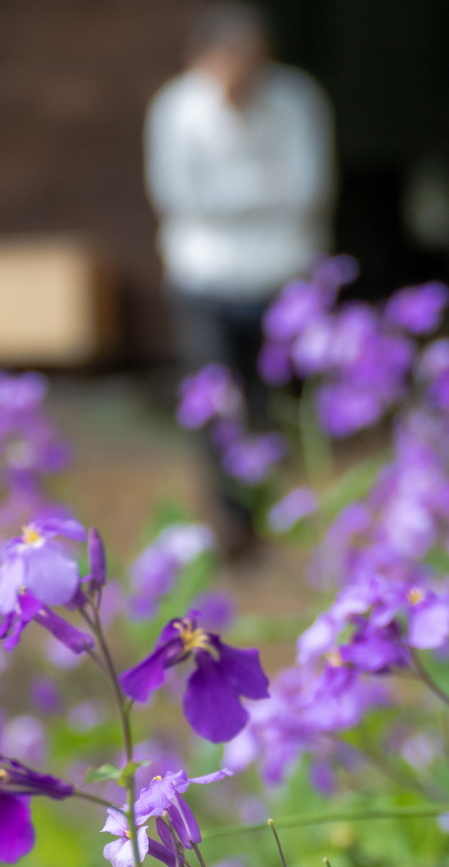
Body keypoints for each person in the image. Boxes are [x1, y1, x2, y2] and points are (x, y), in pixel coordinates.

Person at [145, 1, 334, 552]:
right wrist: (262, 192)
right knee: (215, 403)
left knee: (275, 402)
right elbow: (179, 196)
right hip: (203, 280)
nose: (241, 76)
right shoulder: (176, 109)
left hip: (281, 278)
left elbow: (309, 189)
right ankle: (231, 520)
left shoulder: (296, 99)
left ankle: (278, 508)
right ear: (200, 60)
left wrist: (230, 199)